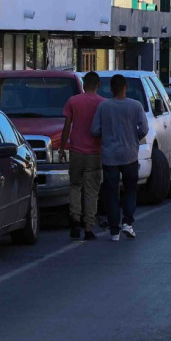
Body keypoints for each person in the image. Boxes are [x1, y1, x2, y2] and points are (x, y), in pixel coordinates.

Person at [91, 74, 149, 242]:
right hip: (130, 154)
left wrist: (106, 137)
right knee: (131, 189)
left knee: (111, 193)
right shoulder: (135, 105)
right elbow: (144, 128)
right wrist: (133, 137)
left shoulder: (104, 106)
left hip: (109, 156)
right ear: (126, 88)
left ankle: (114, 230)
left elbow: (94, 130)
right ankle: (128, 223)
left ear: (111, 89)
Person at [60, 72, 105, 241]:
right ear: (98, 85)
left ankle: (75, 221)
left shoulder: (73, 101)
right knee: (92, 191)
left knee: (75, 186)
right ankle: (88, 227)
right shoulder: (103, 104)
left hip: (76, 151)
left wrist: (63, 149)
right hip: (95, 153)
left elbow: (66, 127)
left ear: (84, 84)